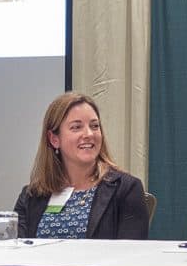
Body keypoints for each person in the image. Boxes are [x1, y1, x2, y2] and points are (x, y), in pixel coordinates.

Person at [15, 91, 149, 239]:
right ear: (54, 139)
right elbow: (15, 253)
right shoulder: (32, 196)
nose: (89, 134)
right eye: (76, 127)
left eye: (95, 126)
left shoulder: (126, 190)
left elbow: (130, 256)